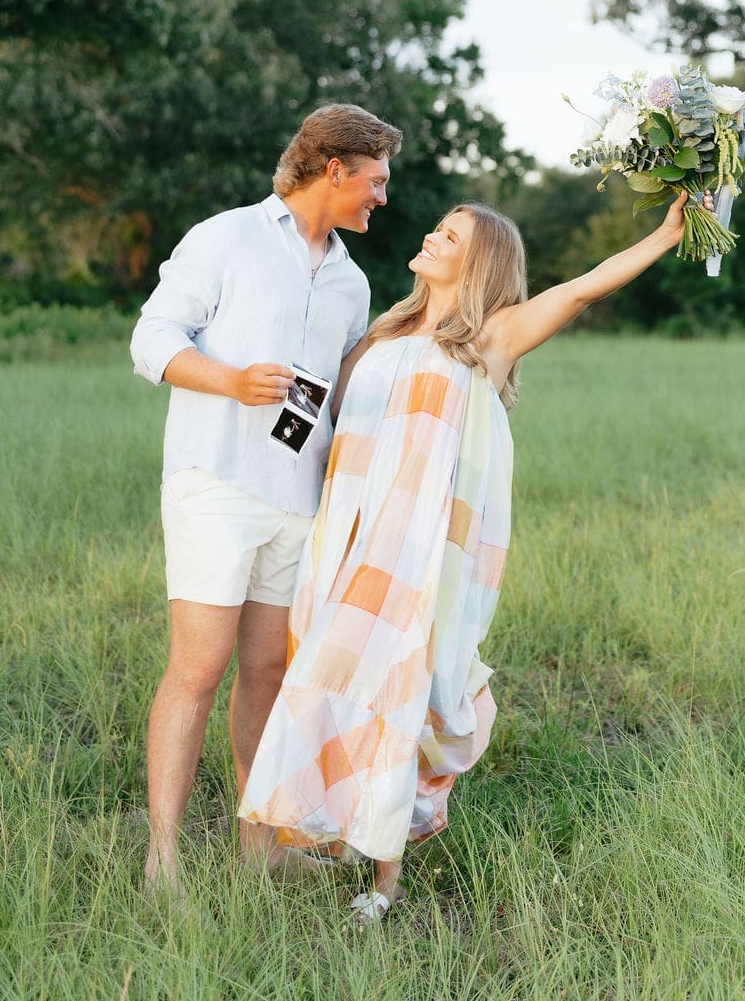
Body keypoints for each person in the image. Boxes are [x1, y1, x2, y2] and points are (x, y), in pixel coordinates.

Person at [239, 190, 704, 922]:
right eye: (438, 227)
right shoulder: (377, 337)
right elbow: (309, 421)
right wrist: (254, 469)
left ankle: (383, 881)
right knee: (324, 678)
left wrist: (661, 235)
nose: (431, 235)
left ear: (478, 261)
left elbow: (581, 288)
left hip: (418, 556)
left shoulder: (485, 340)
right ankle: (304, 836)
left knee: (398, 691)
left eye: (450, 235)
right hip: (344, 543)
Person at [130, 103, 403, 894]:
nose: (381, 199)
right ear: (334, 170)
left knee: (267, 672)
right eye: (376, 182)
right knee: (200, 666)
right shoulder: (228, 237)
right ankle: (164, 861)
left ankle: (261, 845)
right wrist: (231, 381)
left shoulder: (351, 282)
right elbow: (151, 339)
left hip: (297, 498)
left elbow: (344, 391)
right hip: (216, 482)